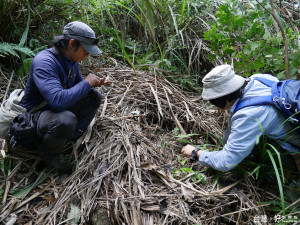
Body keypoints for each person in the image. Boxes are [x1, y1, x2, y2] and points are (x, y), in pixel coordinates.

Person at [20, 21, 110, 174]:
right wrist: (86, 84)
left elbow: (80, 88)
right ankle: (48, 154)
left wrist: (91, 85)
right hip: (33, 117)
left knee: (93, 97)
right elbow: (57, 102)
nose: (87, 54)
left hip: (52, 113)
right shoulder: (45, 62)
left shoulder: (70, 61)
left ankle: (68, 142)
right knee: (65, 120)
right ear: (71, 43)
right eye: (85, 50)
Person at [181, 64, 300, 172]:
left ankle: (281, 177)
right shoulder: (259, 78)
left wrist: (196, 152)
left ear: (225, 101)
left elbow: (226, 162)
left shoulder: (247, 115)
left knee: (241, 144)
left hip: (293, 143)